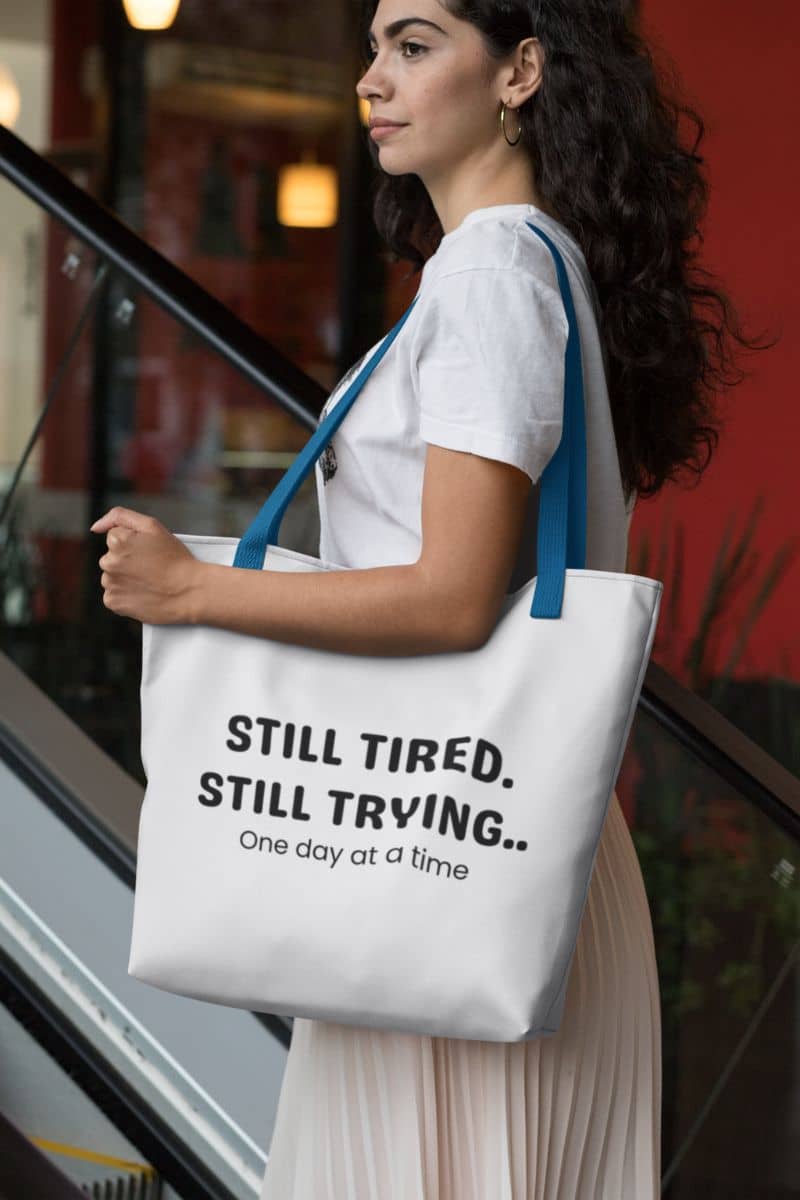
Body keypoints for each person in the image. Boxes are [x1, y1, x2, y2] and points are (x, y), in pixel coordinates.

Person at [91, 1, 768, 1195]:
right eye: (370, 51)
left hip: (432, 845)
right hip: (462, 835)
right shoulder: (526, 259)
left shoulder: (494, 271)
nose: (370, 81)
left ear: (519, 71)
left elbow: (455, 598)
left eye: (411, 46)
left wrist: (196, 589)